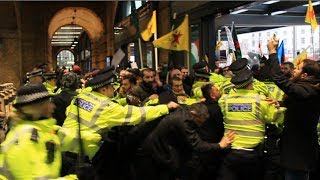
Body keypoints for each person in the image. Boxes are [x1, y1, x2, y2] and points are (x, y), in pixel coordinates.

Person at [58, 65, 179, 160]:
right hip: (84, 155)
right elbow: (136, 114)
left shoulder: (82, 96)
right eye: (111, 86)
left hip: (63, 147)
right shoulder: (106, 108)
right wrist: (165, 108)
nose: (114, 88)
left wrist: (124, 100)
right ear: (103, 89)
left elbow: (69, 111)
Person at [135, 103, 235, 180]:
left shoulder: (185, 110)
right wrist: (220, 145)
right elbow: (197, 145)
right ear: (193, 114)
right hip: (155, 153)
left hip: (157, 147)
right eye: (199, 122)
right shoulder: (184, 122)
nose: (200, 125)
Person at [267, 36, 320, 180]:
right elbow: (300, 104)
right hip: (297, 150)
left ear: (305, 75)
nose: (293, 71)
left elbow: (278, 78)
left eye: (297, 68)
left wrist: (272, 52)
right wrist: (281, 103)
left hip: (299, 153)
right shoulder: (308, 89)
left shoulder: (307, 91)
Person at [218, 69, 285, 180]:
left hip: (230, 150)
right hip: (252, 154)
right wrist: (281, 107)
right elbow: (275, 118)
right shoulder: (260, 100)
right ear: (250, 84)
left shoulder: (224, 100)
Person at [0, 83, 75, 179]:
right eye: (49, 102)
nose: (53, 106)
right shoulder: (27, 138)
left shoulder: (41, 130)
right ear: (38, 107)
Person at [181, 83, 225, 180]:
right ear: (212, 95)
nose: (219, 91)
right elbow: (221, 127)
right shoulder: (216, 109)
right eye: (217, 90)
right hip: (213, 145)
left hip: (200, 144)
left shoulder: (200, 106)